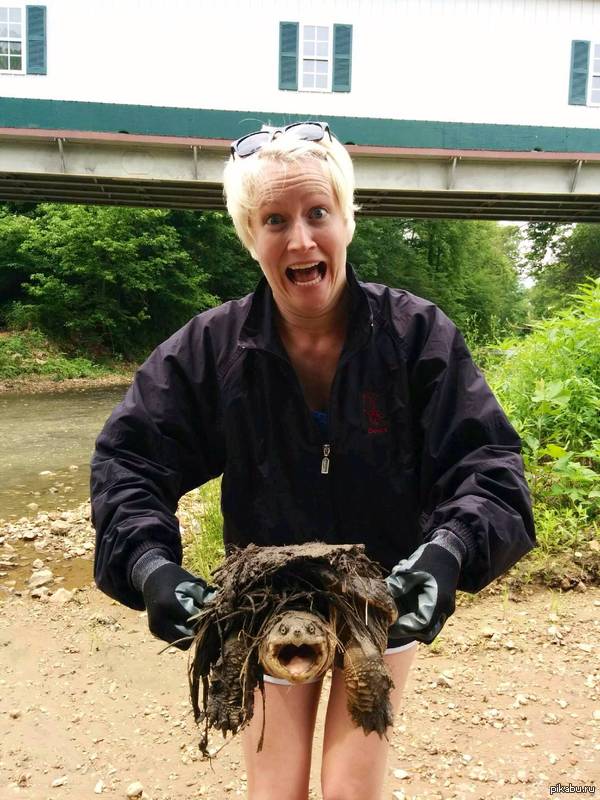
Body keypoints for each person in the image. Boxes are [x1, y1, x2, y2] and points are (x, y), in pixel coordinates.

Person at [91, 121, 535, 800]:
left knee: (351, 789)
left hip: (382, 592)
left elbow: (489, 464)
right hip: (262, 597)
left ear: (346, 220)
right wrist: (147, 565)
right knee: (277, 791)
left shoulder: (417, 337)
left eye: (317, 212)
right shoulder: (211, 350)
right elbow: (129, 462)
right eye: (275, 219)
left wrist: (447, 552)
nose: (300, 239)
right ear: (250, 235)